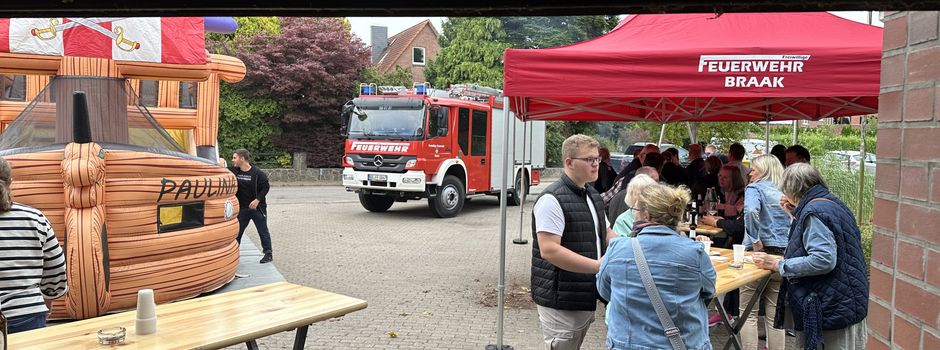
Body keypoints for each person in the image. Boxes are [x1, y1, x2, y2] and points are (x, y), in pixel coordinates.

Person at [752, 163, 868, 350]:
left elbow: (823, 259)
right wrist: (794, 214)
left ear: (793, 189)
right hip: (846, 299)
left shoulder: (813, 213)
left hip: (829, 305)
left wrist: (779, 264)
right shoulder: (832, 203)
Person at [597, 183, 716, 350]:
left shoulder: (617, 249)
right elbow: (709, 290)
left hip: (628, 344)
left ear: (646, 215)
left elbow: (604, 291)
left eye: (635, 210)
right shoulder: (694, 253)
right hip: (683, 343)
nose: (633, 214)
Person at [531, 134, 615, 350]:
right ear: (569, 162)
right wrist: (598, 266)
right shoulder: (551, 199)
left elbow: (606, 233)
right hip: (562, 300)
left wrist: (634, 249)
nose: (596, 164)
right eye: (589, 160)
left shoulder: (592, 194)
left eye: (597, 159)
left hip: (583, 294)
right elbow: (549, 250)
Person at [0, 158, 67, 333]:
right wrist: (47, 299)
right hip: (27, 313)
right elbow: (57, 269)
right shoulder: (34, 218)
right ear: (10, 183)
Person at [740, 154, 792, 350]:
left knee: (747, 312)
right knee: (775, 316)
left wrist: (755, 240)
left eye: (753, 168)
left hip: (757, 254)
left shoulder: (755, 188)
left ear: (764, 171)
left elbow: (751, 211)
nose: (749, 172)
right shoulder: (785, 191)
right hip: (781, 255)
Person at [228, 149, 274, 264]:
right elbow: (222, 169)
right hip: (243, 208)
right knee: (237, 232)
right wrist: (221, 162)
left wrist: (257, 200)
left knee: (263, 230)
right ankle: (233, 254)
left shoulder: (258, 174)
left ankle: (268, 253)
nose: (233, 160)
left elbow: (265, 187)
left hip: (257, 208)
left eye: (235, 158)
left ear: (242, 159)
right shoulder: (235, 171)